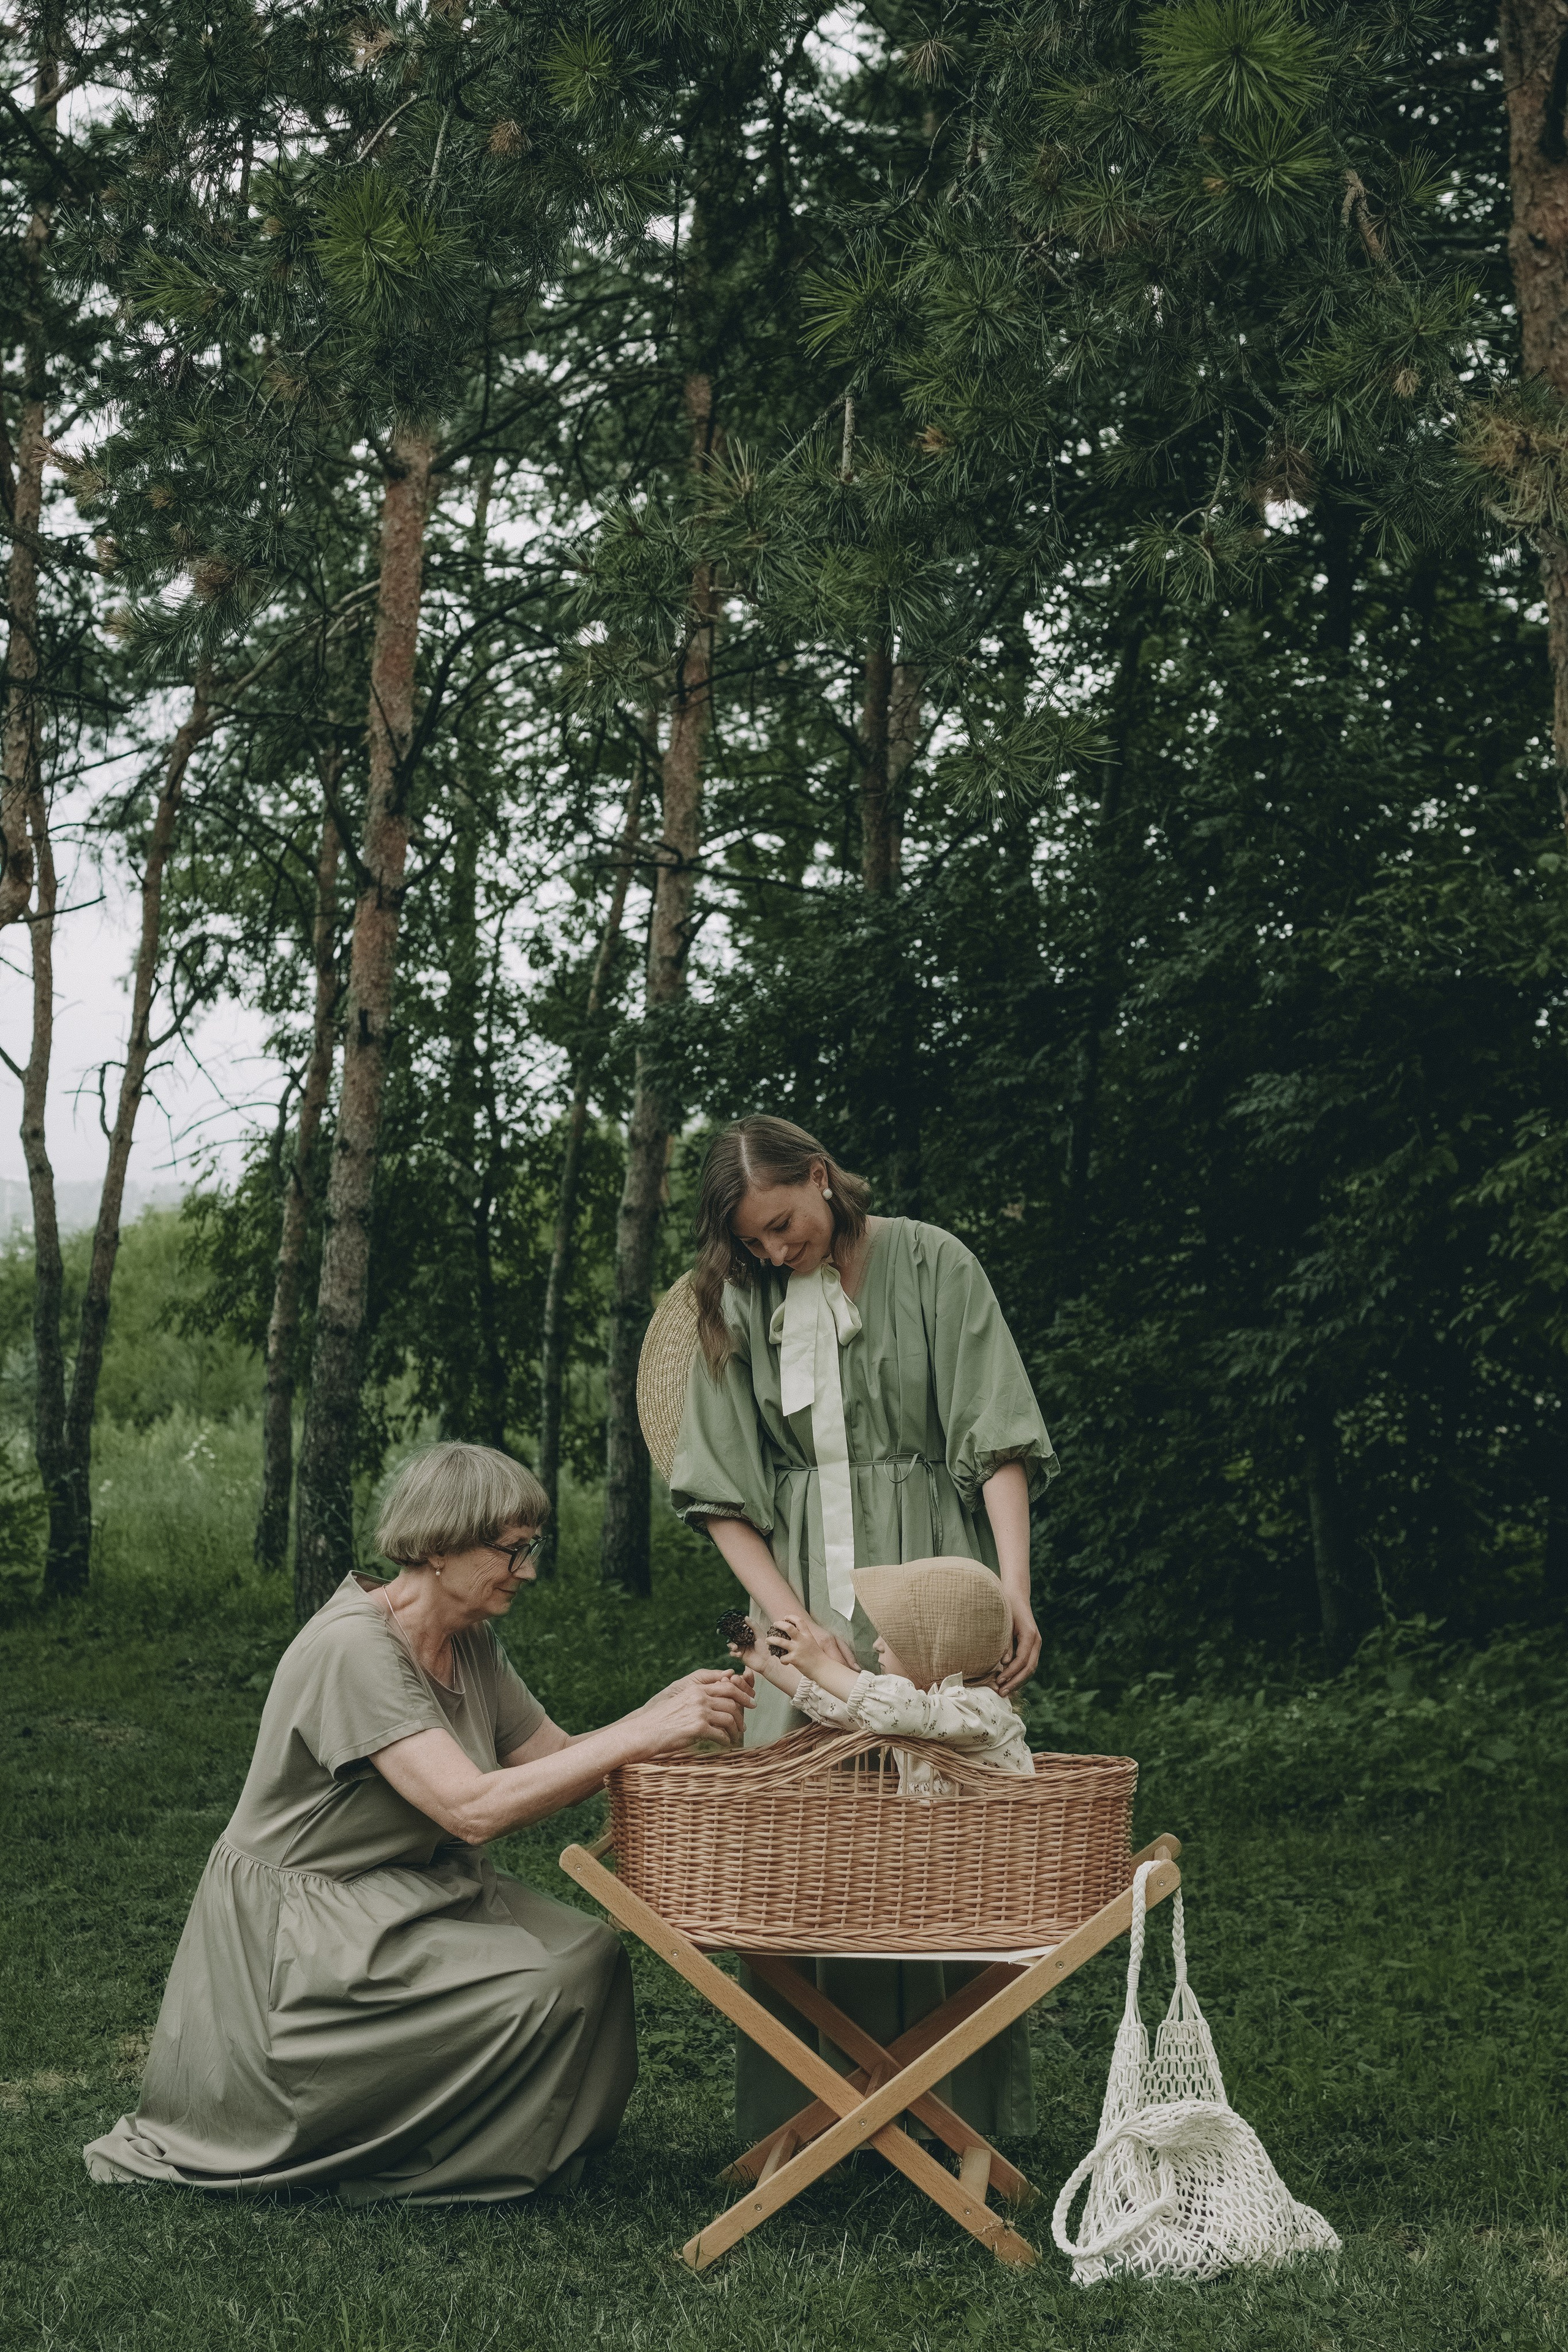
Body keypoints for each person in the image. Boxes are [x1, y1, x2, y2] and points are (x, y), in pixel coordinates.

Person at [85, 1442, 749, 2205]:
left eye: (530, 1548)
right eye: (512, 1550)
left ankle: (513, 2148)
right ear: (439, 1546)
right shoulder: (353, 1648)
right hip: (306, 1921)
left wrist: (657, 1716)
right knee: (541, 1981)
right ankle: (434, 2157)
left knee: (589, 1953)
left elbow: (556, 1759)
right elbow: (470, 1810)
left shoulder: (468, 1637)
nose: (527, 1571)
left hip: (406, 1887)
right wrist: (644, 1733)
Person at [665, 1114, 1057, 2144]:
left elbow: (996, 1441)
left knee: (946, 1819)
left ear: (822, 1179)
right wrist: (791, 1625)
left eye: (782, 1225)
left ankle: (951, 2116)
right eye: (752, 1240)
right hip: (795, 1579)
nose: (772, 1251)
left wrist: (1011, 1593)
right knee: (800, 1838)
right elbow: (720, 1497)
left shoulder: (933, 1264)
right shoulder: (738, 1303)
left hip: (929, 1578)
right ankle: (811, 2117)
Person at [727, 1555, 1036, 1798]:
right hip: (942, 1847)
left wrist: (819, 1664)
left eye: (891, 1637)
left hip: (994, 1848)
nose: (877, 1645)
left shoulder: (979, 1708)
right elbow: (843, 1707)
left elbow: (900, 1708)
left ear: (936, 1651)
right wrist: (769, 1665)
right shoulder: (924, 1705)